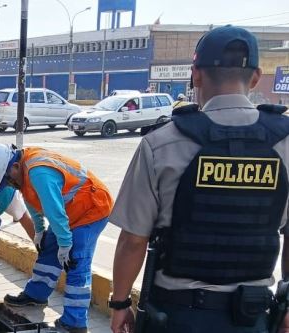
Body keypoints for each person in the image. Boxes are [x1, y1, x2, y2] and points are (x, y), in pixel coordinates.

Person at [109, 25, 289, 333]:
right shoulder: (284, 142)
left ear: (196, 75)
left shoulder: (162, 142)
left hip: (177, 316)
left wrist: (120, 305)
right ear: (256, 77)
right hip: (252, 316)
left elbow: (133, 240)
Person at [0, 143, 113, 333]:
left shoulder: (39, 172)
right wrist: (40, 230)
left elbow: (54, 211)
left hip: (91, 209)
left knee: (75, 260)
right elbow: (32, 199)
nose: (8, 184)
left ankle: (74, 323)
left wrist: (65, 244)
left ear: (14, 167)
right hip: (71, 211)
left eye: (7, 180)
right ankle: (36, 295)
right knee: (49, 248)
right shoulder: (22, 168)